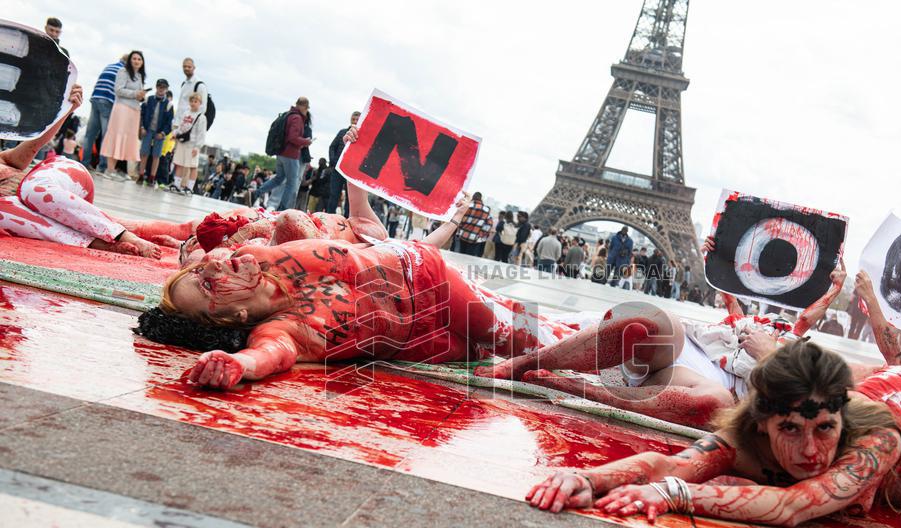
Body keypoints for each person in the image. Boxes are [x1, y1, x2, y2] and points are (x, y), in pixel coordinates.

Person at [525, 339, 901, 528]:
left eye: (825, 429)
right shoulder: (746, 430)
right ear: (761, 423)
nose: (812, 452)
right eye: (791, 431)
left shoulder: (875, 437)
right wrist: (587, 478)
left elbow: (794, 506)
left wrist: (675, 496)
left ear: (841, 420)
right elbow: (666, 463)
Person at [137, 179, 588, 389]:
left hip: (425, 279)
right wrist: (238, 366)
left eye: (201, 272)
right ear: (231, 318)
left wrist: (356, 175)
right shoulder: (280, 332)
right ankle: (595, 331)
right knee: (503, 339)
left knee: (532, 343)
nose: (214, 271)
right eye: (208, 287)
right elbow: (267, 358)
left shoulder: (257, 254)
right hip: (418, 340)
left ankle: (613, 348)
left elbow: (360, 228)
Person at [477, 236, 846, 429]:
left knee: (716, 402)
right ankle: (525, 363)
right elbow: (730, 299)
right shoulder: (744, 324)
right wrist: (714, 261)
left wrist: (831, 291)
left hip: (704, 384)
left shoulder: (796, 355)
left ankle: (579, 387)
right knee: (655, 321)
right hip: (692, 351)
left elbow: (810, 319)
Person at [0, 85, 168, 258]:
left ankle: (125, 235)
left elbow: (34, 145)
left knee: (32, 190)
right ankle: (96, 243)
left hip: (64, 180)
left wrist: (67, 109)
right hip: (56, 215)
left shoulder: (4, 160)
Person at [256, 98, 313, 211]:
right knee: (292, 184)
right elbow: (292, 137)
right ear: (304, 107)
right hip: (291, 155)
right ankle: (283, 209)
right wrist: (306, 142)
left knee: (279, 178)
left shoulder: (289, 115)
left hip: (281, 153)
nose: (306, 111)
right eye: (306, 109)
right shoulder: (297, 118)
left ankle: (256, 193)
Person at [100, 51, 146, 181]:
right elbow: (118, 90)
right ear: (130, 60)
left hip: (134, 110)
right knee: (117, 136)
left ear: (142, 62)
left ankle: (116, 169)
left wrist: (141, 96)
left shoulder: (139, 76)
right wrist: (135, 93)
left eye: (139, 59)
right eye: (134, 58)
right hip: (122, 109)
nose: (136, 61)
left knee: (126, 140)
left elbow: (137, 94)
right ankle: (109, 169)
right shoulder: (123, 71)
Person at [81, 56, 126, 171]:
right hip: (107, 101)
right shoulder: (123, 71)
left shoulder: (109, 66)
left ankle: (84, 164)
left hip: (95, 98)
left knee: (90, 135)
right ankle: (102, 167)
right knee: (107, 136)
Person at [169, 93, 207, 196]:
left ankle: (190, 188)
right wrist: (175, 134)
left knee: (192, 166)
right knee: (179, 163)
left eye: (196, 101)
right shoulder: (186, 113)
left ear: (200, 103)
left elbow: (201, 134)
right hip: (183, 142)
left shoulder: (201, 117)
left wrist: (197, 147)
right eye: (192, 101)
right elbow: (181, 126)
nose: (193, 103)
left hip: (192, 145)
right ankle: (177, 185)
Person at [137, 79, 172, 186]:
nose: (161, 89)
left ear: (166, 89)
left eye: (164, 88)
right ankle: (141, 175)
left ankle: (152, 177)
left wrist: (163, 133)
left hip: (159, 132)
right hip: (148, 129)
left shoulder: (168, 104)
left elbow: (169, 122)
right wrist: (142, 127)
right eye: (159, 87)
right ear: (156, 87)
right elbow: (142, 114)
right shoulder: (148, 99)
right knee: (144, 153)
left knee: (156, 155)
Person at [326, 111, 360, 215]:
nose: (354, 121)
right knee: (334, 195)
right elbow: (332, 147)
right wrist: (333, 161)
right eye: (353, 119)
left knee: (350, 199)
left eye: (357, 120)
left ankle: (347, 222)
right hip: (337, 169)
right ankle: (329, 217)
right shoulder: (342, 132)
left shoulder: (361, 137)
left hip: (351, 172)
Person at [174, 58, 207, 135]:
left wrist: (192, 125)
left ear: (194, 68)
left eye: (189, 67)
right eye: (184, 66)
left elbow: (202, 108)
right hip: (178, 125)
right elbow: (181, 104)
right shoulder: (184, 84)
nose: (186, 68)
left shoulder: (199, 85)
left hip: (189, 126)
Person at [455, 192, 493, 256]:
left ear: (473, 197)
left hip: (463, 234)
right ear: (481, 198)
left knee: (461, 254)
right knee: (469, 256)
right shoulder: (486, 210)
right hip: (475, 237)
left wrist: (459, 230)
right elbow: (489, 225)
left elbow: (459, 219)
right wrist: (481, 234)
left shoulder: (467, 206)